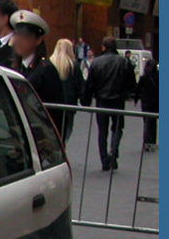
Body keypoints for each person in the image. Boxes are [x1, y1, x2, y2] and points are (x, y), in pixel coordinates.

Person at [82, 36, 137, 171]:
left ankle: (104, 160)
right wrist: (130, 93)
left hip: (101, 100)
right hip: (118, 100)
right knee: (117, 127)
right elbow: (131, 83)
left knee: (102, 131)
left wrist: (86, 101)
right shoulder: (124, 62)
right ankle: (114, 150)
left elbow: (90, 84)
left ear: (103, 47)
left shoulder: (96, 63)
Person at [9, 10, 64, 131]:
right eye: (16, 35)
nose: (18, 40)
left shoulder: (45, 69)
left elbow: (55, 112)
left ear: (38, 40)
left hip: (38, 133)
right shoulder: (16, 68)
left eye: (24, 36)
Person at [50, 38, 85, 142]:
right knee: (67, 130)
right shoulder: (73, 65)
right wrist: (84, 100)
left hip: (52, 102)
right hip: (69, 103)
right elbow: (80, 85)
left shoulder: (49, 63)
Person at [134, 59, 158, 151]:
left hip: (146, 103)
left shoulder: (144, 78)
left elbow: (138, 90)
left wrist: (136, 100)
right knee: (154, 123)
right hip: (156, 103)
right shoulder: (159, 76)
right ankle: (152, 143)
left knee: (147, 123)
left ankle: (146, 143)